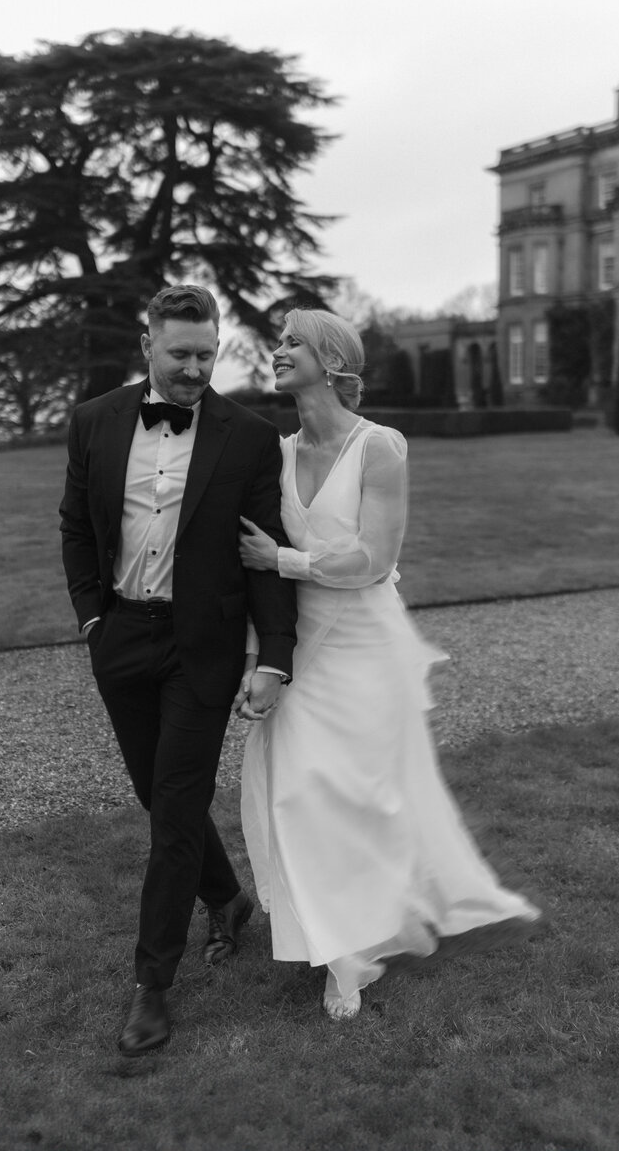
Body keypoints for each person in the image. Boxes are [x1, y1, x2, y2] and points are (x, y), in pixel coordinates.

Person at [236, 309, 545, 1021]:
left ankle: (366, 927)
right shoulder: (275, 453)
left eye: (292, 343)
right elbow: (255, 575)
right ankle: (340, 952)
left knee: (365, 798)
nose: (277, 352)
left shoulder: (381, 449)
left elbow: (373, 561)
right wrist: (260, 654)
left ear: (331, 360)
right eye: (279, 342)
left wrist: (281, 556)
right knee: (298, 794)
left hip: (365, 645)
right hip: (300, 647)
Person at [59, 284, 297, 1056]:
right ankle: (229, 900)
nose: (196, 368)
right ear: (147, 346)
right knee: (157, 798)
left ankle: (152, 987)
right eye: (181, 354)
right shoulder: (93, 422)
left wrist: (275, 659)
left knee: (174, 807)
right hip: (121, 637)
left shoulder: (251, 436)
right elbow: (75, 525)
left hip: (203, 650)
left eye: (207, 353)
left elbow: (265, 561)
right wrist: (93, 617)